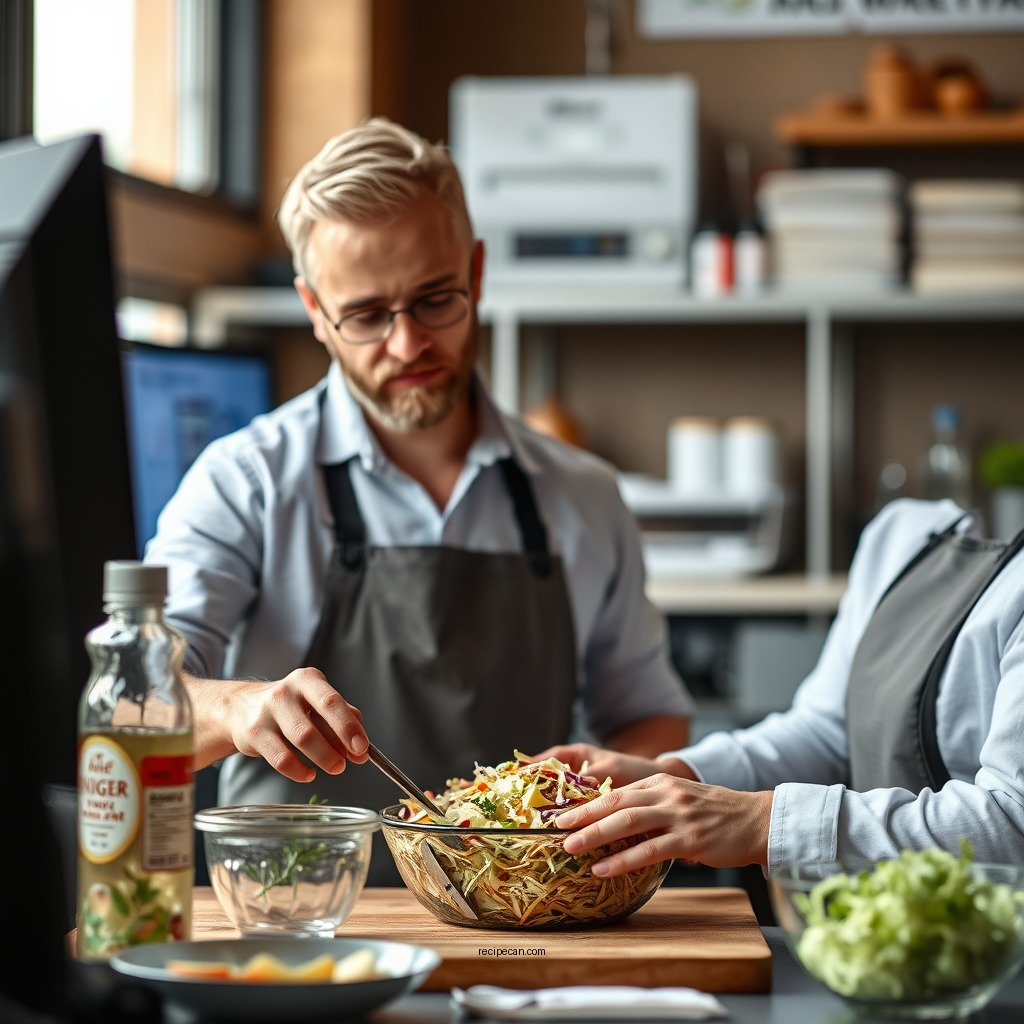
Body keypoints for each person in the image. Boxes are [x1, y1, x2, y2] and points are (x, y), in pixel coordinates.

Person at [144, 117, 694, 883]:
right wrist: (237, 708)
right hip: (303, 925)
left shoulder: (585, 497)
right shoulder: (245, 480)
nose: (408, 346)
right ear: (313, 309)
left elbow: (648, 713)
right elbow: (135, 704)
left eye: (436, 300)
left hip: (523, 924)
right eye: (367, 316)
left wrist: (598, 792)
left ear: (477, 272)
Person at [537, 497, 1024, 877]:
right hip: (883, 939)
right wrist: (676, 772)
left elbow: (1013, 823)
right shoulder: (903, 534)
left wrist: (762, 822)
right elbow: (826, 732)